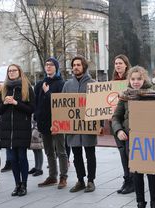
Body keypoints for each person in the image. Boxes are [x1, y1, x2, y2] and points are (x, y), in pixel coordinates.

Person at [112, 66, 155, 208]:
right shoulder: (125, 96)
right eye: (133, 79)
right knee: (137, 173)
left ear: (144, 79)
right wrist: (118, 131)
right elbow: (116, 117)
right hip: (132, 140)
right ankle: (140, 202)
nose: (135, 82)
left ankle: (154, 202)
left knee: (152, 173)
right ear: (129, 80)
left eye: (139, 79)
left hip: (150, 141)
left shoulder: (154, 95)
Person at [0, 64, 35, 196]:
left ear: (19, 72)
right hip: (7, 130)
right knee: (12, 159)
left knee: (22, 157)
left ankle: (24, 184)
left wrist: (16, 103)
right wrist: (5, 103)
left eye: (14, 70)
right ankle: (17, 184)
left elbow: (31, 109)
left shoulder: (26, 88)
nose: (11, 73)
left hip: (22, 129)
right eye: (9, 71)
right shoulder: (4, 89)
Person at [61, 56, 99, 193]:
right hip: (73, 127)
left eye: (78, 64)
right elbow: (62, 107)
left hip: (89, 126)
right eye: (74, 65)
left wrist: (99, 125)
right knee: (76, 155)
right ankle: (80, 180)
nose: (75, 67)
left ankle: (91, 181)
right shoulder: (67, 85)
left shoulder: (93, 84)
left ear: (84, 66)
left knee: (90, 155)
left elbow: (99, 107)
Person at [35, 57, 68, 189]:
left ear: (56, 67)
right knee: (48, 151)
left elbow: (60, 104)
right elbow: (36, 104)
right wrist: (37, 118)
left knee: (61, 151)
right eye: (46, 65)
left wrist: (48, 92)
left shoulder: (61, 84)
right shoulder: (39, 84)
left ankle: (63, 177)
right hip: (43, 123)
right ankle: (52, 176)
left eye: (51, 65)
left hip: (57, 123)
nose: (48, 67)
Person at [111, 54, 134, 194]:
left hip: (126, 121)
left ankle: (132, 180)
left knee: (128, 152)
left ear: (126, 65)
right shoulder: (111, 82)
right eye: (116, 63)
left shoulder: (131, 81)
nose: (118, 65)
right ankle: (127, 179)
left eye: (120, 63)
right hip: (115, 122)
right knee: (121, 152)